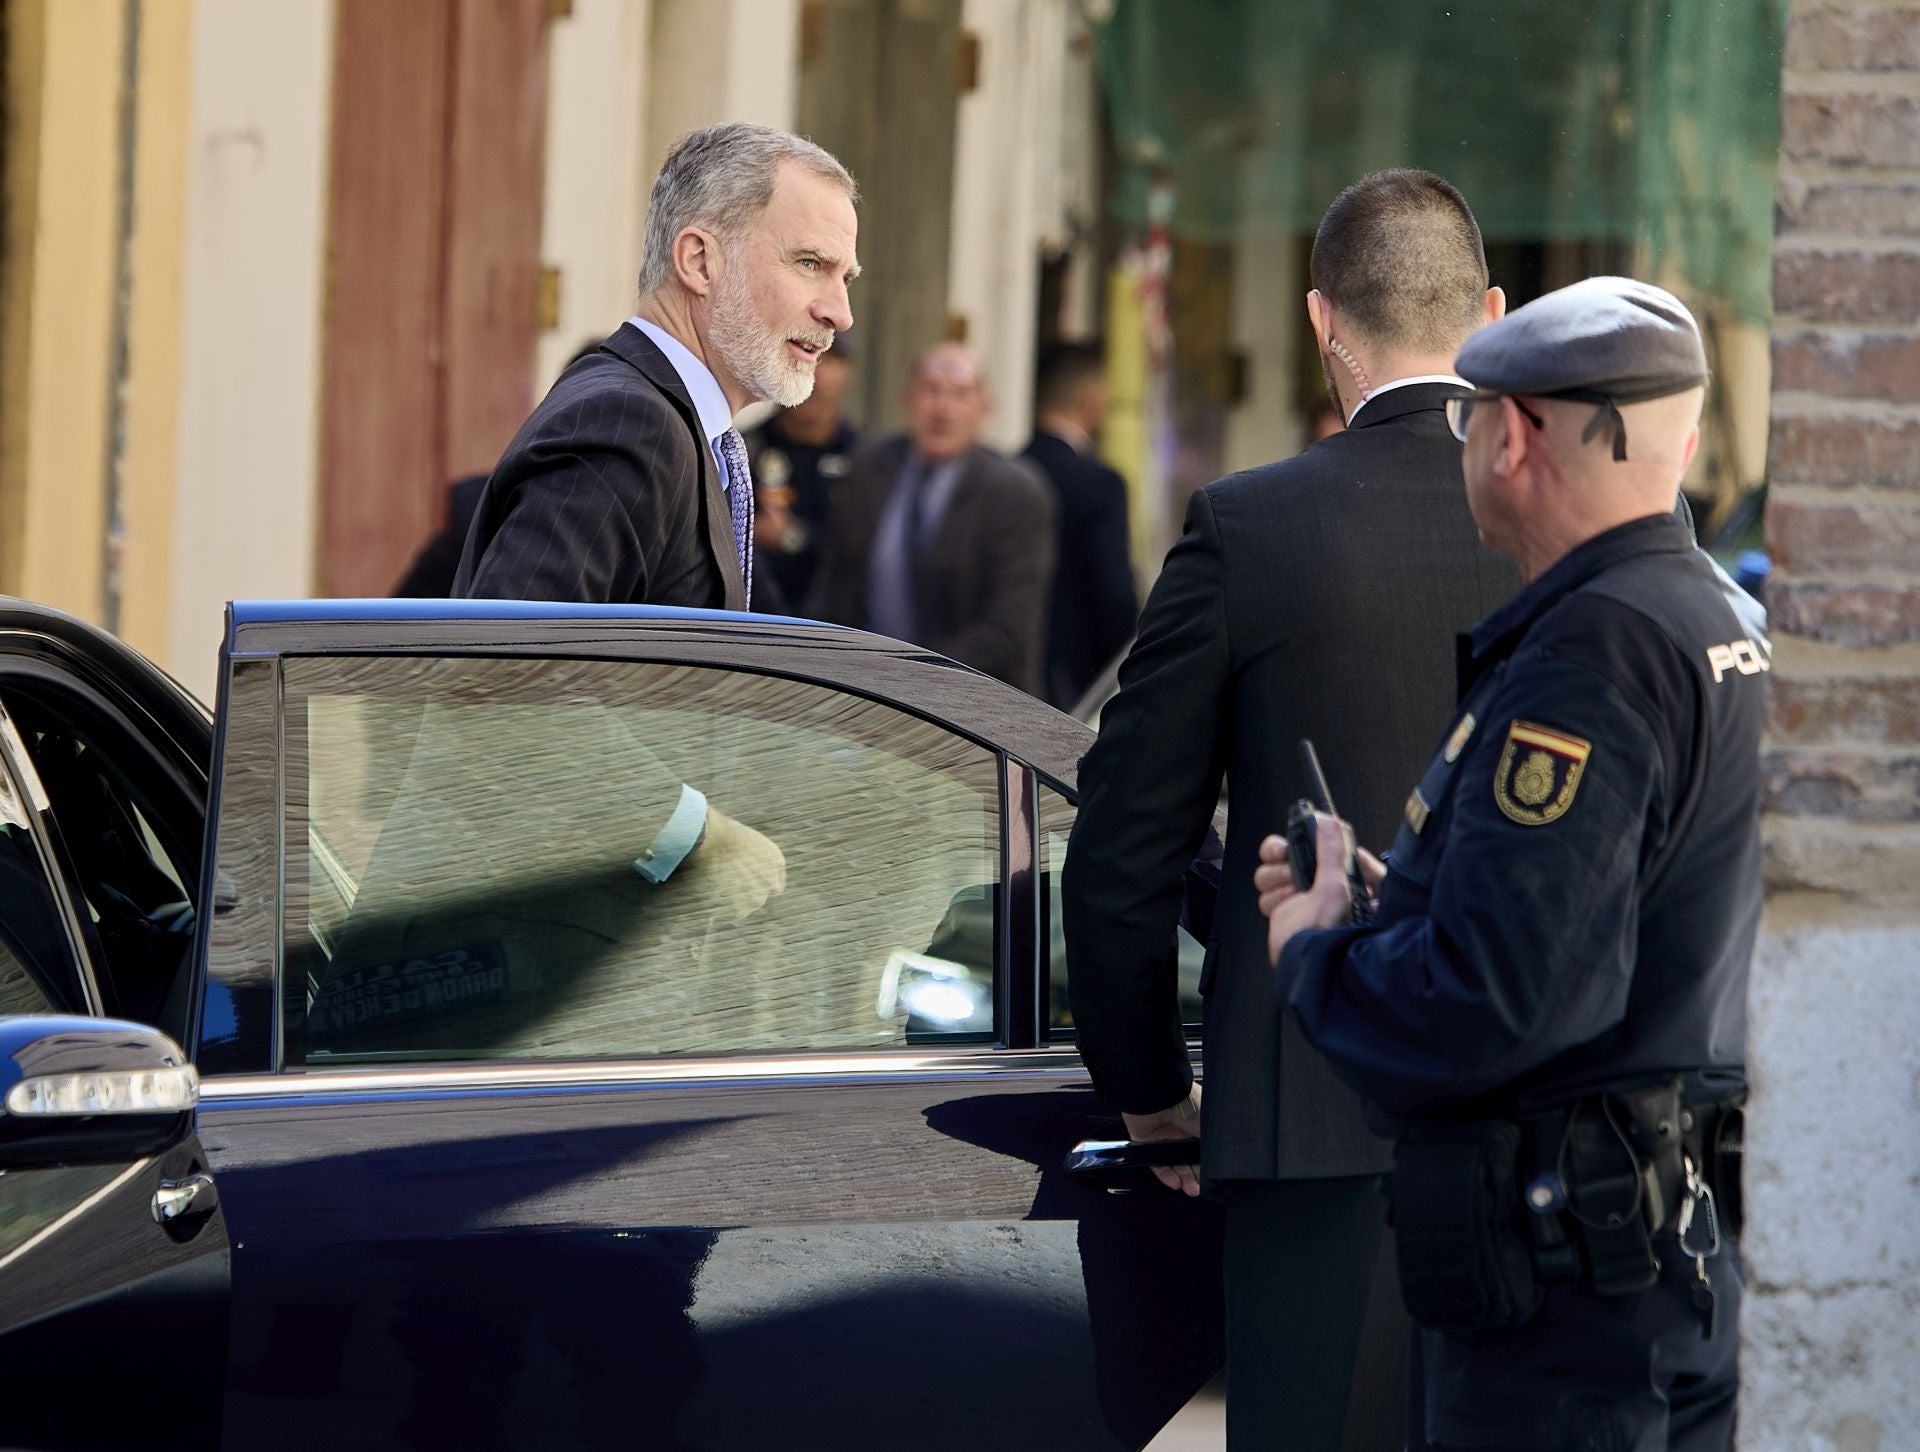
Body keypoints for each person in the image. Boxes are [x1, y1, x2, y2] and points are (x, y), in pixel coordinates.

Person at [1258, 278, 1764, 1448]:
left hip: (1564, 1314)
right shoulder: (1714, 621)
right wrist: (1399, 906)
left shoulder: (1594, 654)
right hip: (1659, 1270)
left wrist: (1318, 950)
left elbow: (1488, 1004)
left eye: (1469, 419)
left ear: (1517, 434)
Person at [1061, 169, 1515, 1450]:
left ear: (1322, 321)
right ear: (1490, 312)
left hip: (1313, 1134)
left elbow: (1121, 848)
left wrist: (1149, 1093)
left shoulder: (1247, 528)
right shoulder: (1588, 527)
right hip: (1551, 1132)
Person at [454, 122, 859, 608]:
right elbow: (507, 668)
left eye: (845, 278)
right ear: (700, 262)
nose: (840, 313)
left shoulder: (678, 428)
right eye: (810, 264)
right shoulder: (627, 423)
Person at [810, 343, 1055, 694]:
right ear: (907, 399)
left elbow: (1007, 629)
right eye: (931, 391)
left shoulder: (1015, 493)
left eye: (959, 395)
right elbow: (834, 587)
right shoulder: (868, 467)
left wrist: (909, 677)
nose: (943, 409)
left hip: (974, 704)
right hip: (862, 694)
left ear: (985, 409)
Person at [1022, 343, 1138, 710]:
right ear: (1092, 397)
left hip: (1005, 677)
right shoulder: (1100, 484)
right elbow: (1115, 595)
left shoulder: (1011, 470)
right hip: (1074, 680)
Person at [744, 331, 860, 617]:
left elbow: (866, 550)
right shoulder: (743, 449)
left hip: (839, 630)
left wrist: (793, 537)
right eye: (809, 353)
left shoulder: (864, 458)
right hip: (754, 624)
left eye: (830, 358)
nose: (818, 372)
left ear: (847, 372)